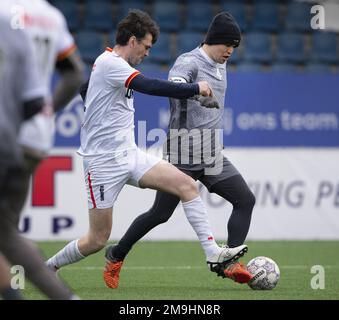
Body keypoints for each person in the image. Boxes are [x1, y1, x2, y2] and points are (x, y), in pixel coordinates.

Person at [46, 10, 249, 289]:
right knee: (96, 239)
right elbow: (149, 86)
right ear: (132, 40)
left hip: (129, 154)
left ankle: (214, 253)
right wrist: (195, 88)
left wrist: (92, 103)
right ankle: (48, 267)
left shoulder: (109, 66)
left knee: (187, 186)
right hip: (102, 163)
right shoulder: (111, 63)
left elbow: (86, 87)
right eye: (146, 46)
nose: (147, 53)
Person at [103, 12, 256, 288]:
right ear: (215, 40)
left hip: (211, 154)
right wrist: (195, 90)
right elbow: (174, 86)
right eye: (227, 45)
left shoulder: (222, 65)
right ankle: (115, 254)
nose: (230, 51)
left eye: (235, 46)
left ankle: (230, 263)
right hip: (182, 154)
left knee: (245, 200)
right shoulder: (189, 61)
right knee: (160, 215)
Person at [0, 4, 77, 299]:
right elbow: (72, 74)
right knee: (5, 231)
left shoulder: (5, 13)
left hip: (5, 133)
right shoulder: (52, 16)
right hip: (34, 138)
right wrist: (46, 114)